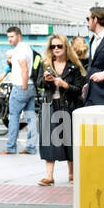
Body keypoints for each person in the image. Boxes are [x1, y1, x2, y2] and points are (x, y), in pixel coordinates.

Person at [36, 33, 84, 186]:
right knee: (48, 141)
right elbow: (38, 83)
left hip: (67, 106)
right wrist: (45, 79)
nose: (56, 49)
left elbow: (78, 90)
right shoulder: (46, 64)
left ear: (65, 47)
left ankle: (72, 174)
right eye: (53, 46)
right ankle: (49, 176)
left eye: (59, 46)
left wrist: (64, 84)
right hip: (49, 104)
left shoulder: (74, 67)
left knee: (69, 141)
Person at [0, 26, 38, 155]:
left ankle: (10, 147)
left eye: (11, 36)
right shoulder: (27, 48)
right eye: (8, 37)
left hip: (21, 86)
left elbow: (24, 69)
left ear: (18, 35)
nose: (9, 39)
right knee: (31, 117)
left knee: (13, 117)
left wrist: (24, 86)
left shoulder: (20, 50)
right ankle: (31, 147)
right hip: (31, 86)